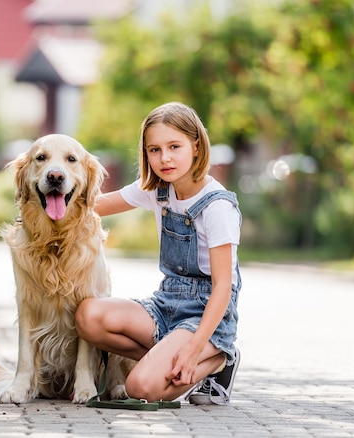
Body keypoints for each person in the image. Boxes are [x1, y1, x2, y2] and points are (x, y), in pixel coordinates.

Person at [75, 101, 242, 405]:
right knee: (88, 317)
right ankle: (166, 359)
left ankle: (219, 360)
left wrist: (193, 349)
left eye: (174, 146)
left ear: (196, 146)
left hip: (207, 315)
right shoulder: (157, 190)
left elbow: (223, 287)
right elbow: (92, 205)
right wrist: (51, 194)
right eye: (154, 149)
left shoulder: (217, 206)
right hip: (167, 305)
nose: (164, 158)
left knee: (140, 387)